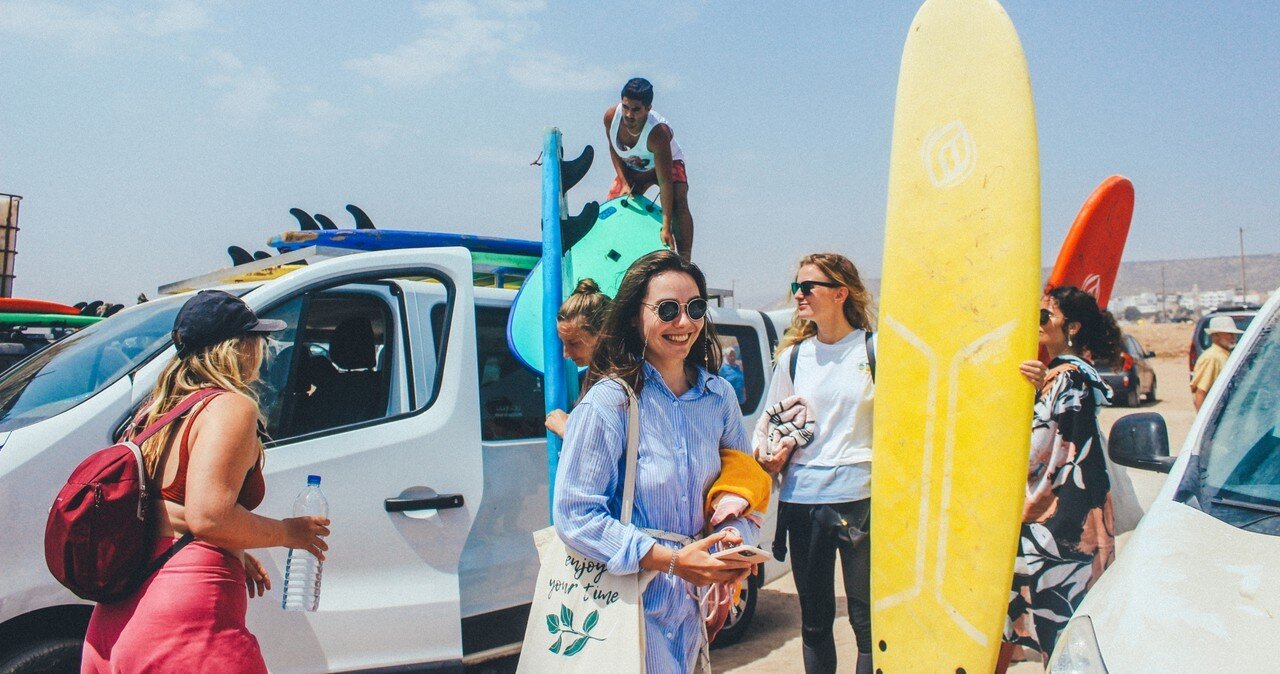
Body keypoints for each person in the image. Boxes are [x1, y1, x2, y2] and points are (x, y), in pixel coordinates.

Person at [82, 290, 331, 673]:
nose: (261, 349)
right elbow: (209, 517)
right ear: (237, 348)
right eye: (256, 339)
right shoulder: (231, 407)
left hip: (121, 610)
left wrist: (235, 546)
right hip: (187, 618)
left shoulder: (154, 413)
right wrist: (287, 533)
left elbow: (154, 506)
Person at [554, 250, 763, 671]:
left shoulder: (718, 397)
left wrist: (733, 542)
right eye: (667, 310)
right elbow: (575, 514)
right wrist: (669, 560)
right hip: (629, 607)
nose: (684, 323)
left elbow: (742, 486)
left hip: (691, 610)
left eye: (695, 308)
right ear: (635, 315)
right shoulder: (609, 402)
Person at [755, 253, 876, 674]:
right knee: (815, 625)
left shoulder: (874, 350)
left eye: (809, 287)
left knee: (868, 626)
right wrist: (770, 452)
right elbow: (769, 424)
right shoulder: (793, 357)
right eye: (797, 287)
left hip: (861, 500)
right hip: (802, 501)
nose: (799, 294)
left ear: (841, 293)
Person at [1000, 285, 1125, 669]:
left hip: (1060, 524)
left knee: (1061, 637)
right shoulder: (1065, 374)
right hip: (1071, 517)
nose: (1036, 323)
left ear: (1071, 326)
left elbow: (1046, 448)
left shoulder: (1067, 378)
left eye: (1045, 316)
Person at [604, 77, 695, 260]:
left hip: (665, 164)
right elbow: (614, 149)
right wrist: (623, 182)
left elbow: (665, 181)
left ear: (648, 108)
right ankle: (616, 253)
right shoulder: (610, 118)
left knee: (677, 200)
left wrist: (666, 225)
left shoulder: (658, 133)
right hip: (635, 163)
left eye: (636, 110)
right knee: (618, 198)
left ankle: (685, 260)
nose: (629, 115)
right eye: (626, 107)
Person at [544, 278, 611, 437]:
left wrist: (565, 429)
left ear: (602, 334)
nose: (566, 354)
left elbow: (600, 450)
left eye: (574, 343)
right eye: (564, 344)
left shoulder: (613, 386)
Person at [1191, 315, 1243, 410]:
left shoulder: (1225, 355)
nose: (1233, 337)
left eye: (1233, 334)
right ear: (1215, 335)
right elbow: (1200, 393)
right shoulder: (1212, 357)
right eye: (1228, 333)